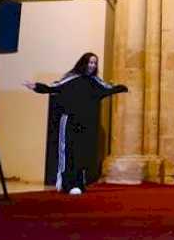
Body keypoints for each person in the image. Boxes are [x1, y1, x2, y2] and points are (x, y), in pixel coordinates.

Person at [25, 53, 127, 195]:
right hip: (69, 121)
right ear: (83, 63)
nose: (92, 65)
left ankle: (78, 183)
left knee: (81, 154)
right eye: (90, 62)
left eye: (94, 63)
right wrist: (36, 86)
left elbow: (107, 89)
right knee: (68, 153)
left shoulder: (95, 81)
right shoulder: (71, 78)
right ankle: (67, 183)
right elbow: (54, 87)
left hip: (84, 123)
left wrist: (122, 88)